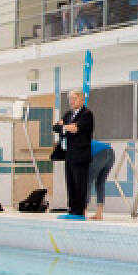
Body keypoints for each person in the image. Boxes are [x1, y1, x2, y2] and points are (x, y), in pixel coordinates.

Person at [54, 89, 94, 219]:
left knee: (80, 183)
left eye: (74, 99)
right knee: (70, 182)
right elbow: (55, 127)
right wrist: (67, 126)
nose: (71, 101)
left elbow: (76, 129)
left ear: (82, 99)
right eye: (70, 99)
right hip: (69, 154)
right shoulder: (68, 114)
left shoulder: (86, 114)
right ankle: (72, 208)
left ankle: (79, 210)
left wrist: (64, 126)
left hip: (81, 154)